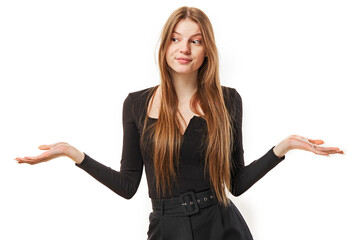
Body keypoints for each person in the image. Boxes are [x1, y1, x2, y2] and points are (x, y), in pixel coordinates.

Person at [15, 6, 343, 240]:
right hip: (166, 228)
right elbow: (128, 186)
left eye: (195, 40)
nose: (183, 48)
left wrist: (282, 148)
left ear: (206, 52)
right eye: (175, 39)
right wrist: (75, 154)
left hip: (221, 225)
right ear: (165, 46)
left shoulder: (228, 100)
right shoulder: (136, 104)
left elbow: (236, 182)